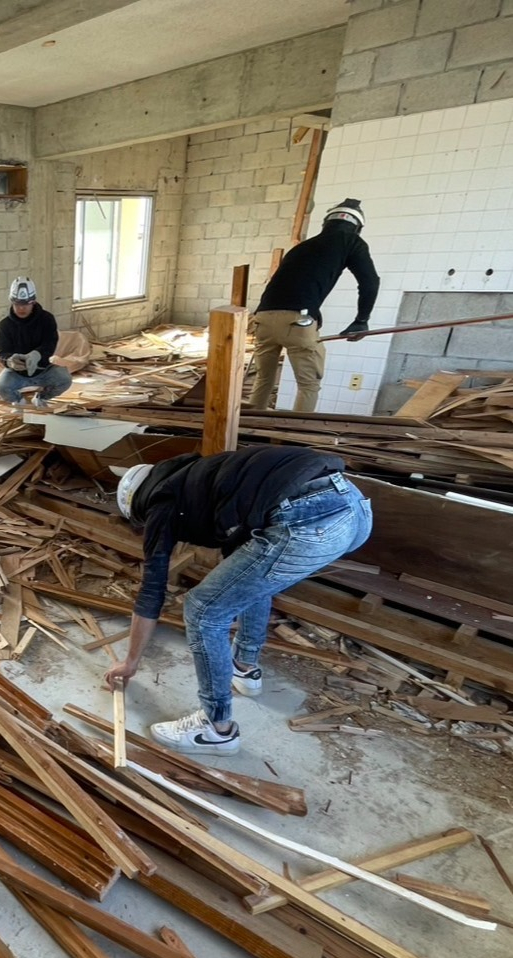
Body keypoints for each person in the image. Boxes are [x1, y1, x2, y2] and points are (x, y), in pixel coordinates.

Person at [102, 445, 372, 756]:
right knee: (250, 583)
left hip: (308, 518)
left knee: (202, 611)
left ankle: (216, 730)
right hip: (354, 507)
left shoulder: (161, 503)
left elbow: (153, 589)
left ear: (139, 504)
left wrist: (130, 662)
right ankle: (244, 667)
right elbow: (242, 567)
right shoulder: (201, 478)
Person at [248, 198, 380, 413]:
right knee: (309, 385)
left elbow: (295, 282)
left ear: (326, 223)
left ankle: (247, 430)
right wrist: (361, 320)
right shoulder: (351, 242)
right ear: (357, 227)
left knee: (264, 379)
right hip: (297, 321)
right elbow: (370, 281)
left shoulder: (302, 247)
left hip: (263, 318)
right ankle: (292, 438)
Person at [0, 276, 71, 408]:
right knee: (2, 387)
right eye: (17, 304)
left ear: (33, 302)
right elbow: (1, 352)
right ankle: (18, 401)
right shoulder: (5, 325)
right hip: (16, 373)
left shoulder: (46, 319)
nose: (21, 308)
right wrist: (10, 361)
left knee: (64, 379)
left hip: (43, 369)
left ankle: (41, 398)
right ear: (12, 302)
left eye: (25, 304)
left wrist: (37, 355)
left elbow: (50, 343)